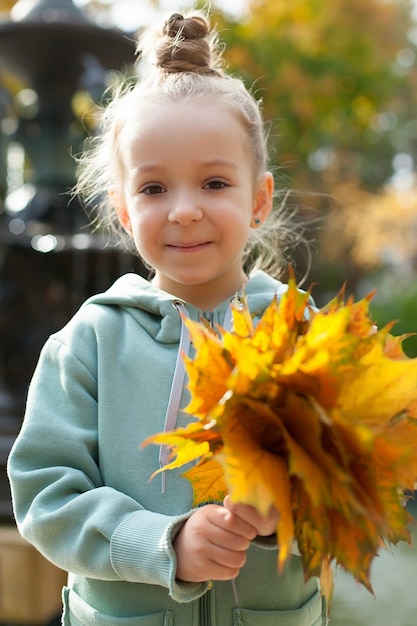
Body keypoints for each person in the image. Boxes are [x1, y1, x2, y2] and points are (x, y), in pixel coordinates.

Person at [7, 11, 326, 626]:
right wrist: (164, 543)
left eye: (213, 182)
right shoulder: (89, 342)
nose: (183, 211)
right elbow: (46, 495)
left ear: (257, 199)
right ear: (123, 210)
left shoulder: (301, 332)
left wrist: (283, 506)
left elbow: (356, 477)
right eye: (154, 189)